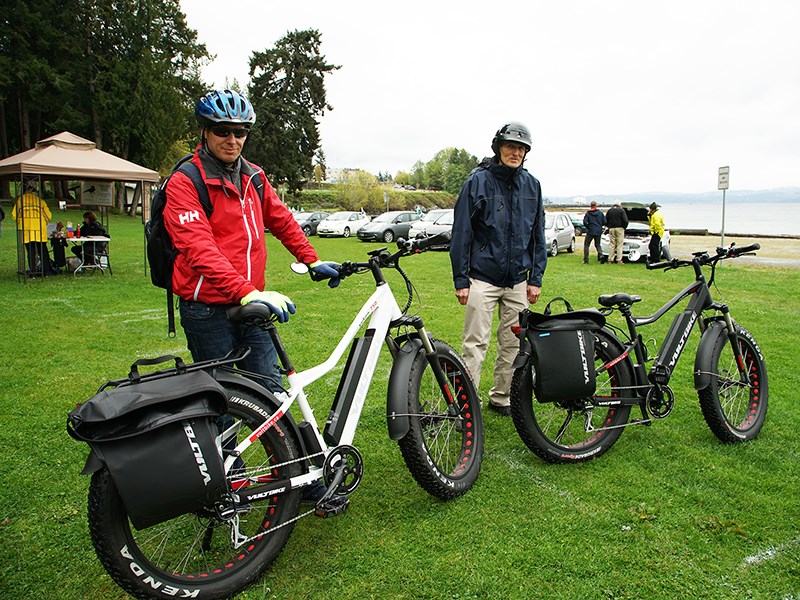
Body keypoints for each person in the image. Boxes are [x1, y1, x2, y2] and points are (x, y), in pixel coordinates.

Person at [164, 90, 341, 503]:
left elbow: (280, 219)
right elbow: (198, 248)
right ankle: (230, 486)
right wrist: (245, 291)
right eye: (223, 132)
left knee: (272, 394)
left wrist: (310, 259)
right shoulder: (185, 182)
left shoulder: (254, 177)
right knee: (221, 402)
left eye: (240, 132)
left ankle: (300, 478)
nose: (233, 140)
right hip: (207, 309)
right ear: (206, 132)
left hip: (251, 303)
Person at [450, 121, 547, 417]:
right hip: (481, 279)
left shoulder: (532, 185)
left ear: (526, 152)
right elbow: (462, 232)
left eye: (520, 148)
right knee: (475, 343)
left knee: (514, 344)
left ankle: (502, 397)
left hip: (518, 280)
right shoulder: (477, 181)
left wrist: (535, 278)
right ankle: (466, 403)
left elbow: (537, 235)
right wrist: (461, 279)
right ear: (498, 147)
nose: (515, 152)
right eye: (510, 146)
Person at [12, 180, 57, 275]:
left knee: (31, 251)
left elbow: (14, 215)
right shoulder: (40, 201)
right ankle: (46, 270)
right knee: (42, 250)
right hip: (39, 229)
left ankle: (32, 271)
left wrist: (21, 220)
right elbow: (48, 216)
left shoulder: (21, 200)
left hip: (27, 229)